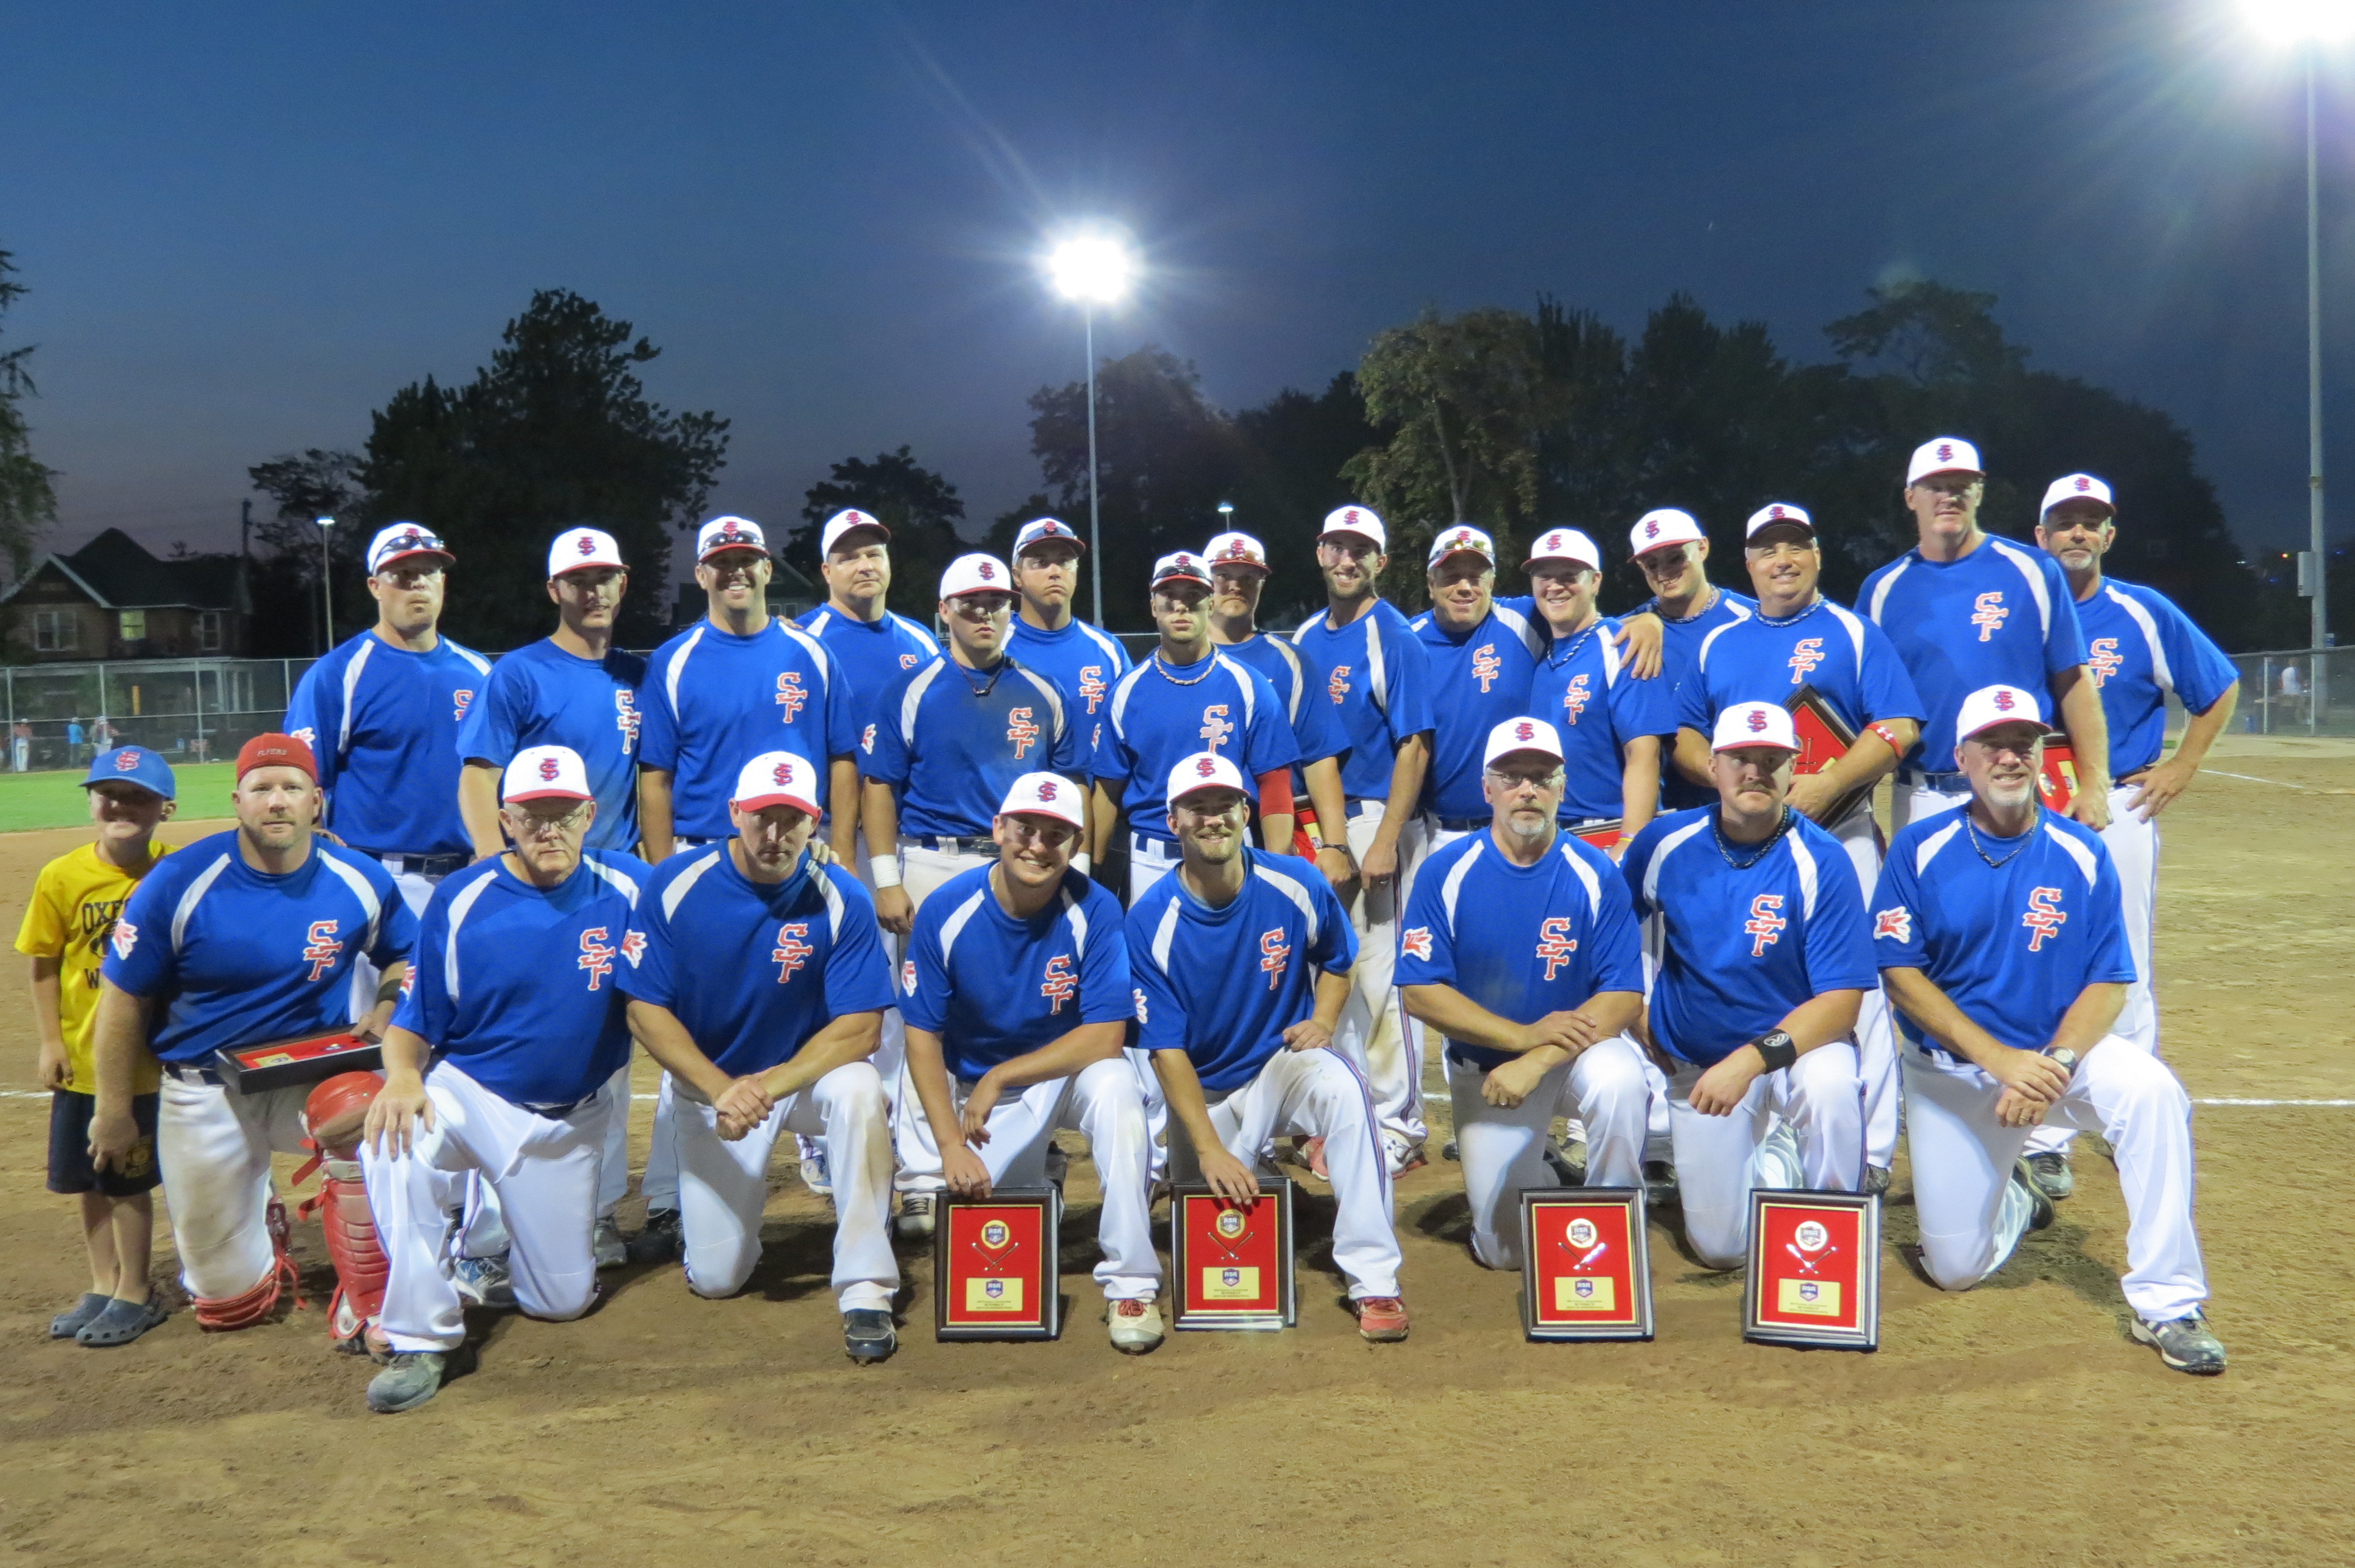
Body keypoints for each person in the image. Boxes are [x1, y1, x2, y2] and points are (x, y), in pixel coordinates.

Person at [1872, 685, 2223, 1374]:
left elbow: (2109, 979)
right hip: (1953, 1072)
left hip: (2054, 1059)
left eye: (2024, 744)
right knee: (1954, 1270)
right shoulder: (1919, 847)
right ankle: (2012, 1197)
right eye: (1993, 746)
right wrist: (2003, 1061)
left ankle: (2168, 1302)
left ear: (2043, 755)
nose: (2010, 758)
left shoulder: (2082, 851)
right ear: (1962, 759)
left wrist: (2054, 1063)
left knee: (2152, 1092)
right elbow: (1900, 975)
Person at [90, 733, 415, 1340]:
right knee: (228, 1305)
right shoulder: (180, 881)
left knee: (369, 1115)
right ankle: (258, 1223)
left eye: (291, 788)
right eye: (261, 789)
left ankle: (369, 1291)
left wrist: (389, 999)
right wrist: (112, 1109)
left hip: (306, 1080)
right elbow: (123, 997)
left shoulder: (358, 877)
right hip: (204, 1089)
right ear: (237, 801)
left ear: (316, 802)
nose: (276, 802)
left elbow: (407, 951)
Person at [356, 745, 648, 1412]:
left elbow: (710, 897)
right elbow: (414, 1019)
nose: (550, 829)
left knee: (561, 1302)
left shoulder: (631, 886)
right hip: (472, 1093)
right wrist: (400, 1076)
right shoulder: (464, 897)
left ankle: (477, 1253)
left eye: (564, 814)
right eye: (532, 815)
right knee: (392, 1140)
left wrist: (813, 857)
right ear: (506, 821)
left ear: (589, 814)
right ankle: (423, 1337)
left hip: (570, 1120)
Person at [1668, 501, 1923, 1192]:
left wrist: (1826, 784)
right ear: (1745, 564)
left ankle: (1866, 1156)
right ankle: (1761, 1127)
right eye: (1766, 550)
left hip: (1836, 835)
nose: (1781, 560)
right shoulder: (1720, 642)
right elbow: (1686, 734)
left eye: (1795, 547)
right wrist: (1721, 778)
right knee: (1750, 967)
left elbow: (1899, 723)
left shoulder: (1850, 631)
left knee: (1861, 988)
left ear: (1815, 555)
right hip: (1744, 846)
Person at [618, 752, 900, 1361]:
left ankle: (867, 1288)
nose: (775, 835)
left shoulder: (840, 897)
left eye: (791, 820)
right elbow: (643, 1010)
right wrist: (723, 1089)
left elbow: (860, 1031)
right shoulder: (675, 884)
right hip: (711, 1091)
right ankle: (714, 1224)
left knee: (858, 1090)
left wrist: (766, 1089)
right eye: (761, 818)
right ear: (734, 815)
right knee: (718, 1280)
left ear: (815, 822)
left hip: (797, 1083)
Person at [635, 515, 858, 1254]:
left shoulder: (810, 653)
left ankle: (819, 1143)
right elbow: (656, 776)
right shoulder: (673, 659)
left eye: (748, 561)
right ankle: (672, 1193)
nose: (735, 573)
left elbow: (840, 759)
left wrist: (843, 851)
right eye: (720, 563)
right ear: (701, 574)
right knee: (697, 1024)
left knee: (809, 1003)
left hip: (798, 849)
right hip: (704, 856)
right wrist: (665, 871)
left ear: (769, 569)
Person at [1130, 753, 1408, 1340]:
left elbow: (1338, 959)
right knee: (1210, 1218)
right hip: (1203, 1091)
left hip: (1279, 1067)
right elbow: (1164, 1050)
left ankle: (1374, 1280)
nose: (1213, 819)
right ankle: (1256, 1170)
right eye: (1196, 809)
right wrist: (1207, 1149)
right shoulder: (1150, 918)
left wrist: (1325, 1019)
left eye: (1224, 806)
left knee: (1343, 1085)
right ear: (1172, 820)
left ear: (1245, 812)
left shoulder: (1295, 880)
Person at [2025, 473, 2240, 1198]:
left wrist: (2183, 762)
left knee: (2126, 964)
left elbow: (2217, 686)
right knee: (2037, 953)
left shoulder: (2141, 611)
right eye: (2065, 522)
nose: (2078, 533)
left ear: (2109, 536)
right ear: (2041, 535)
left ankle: (2121, 1117)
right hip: (2030, 812)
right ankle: (2048, 1137)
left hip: (2118, 806)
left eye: (2092, 522)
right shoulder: (2020, 615)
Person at [863, 553, 1084, 1238]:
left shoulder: (1043, 692)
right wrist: (886, 877)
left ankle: (1032, 1147)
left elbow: (1071, 789)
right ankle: (924, 1176)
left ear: (1010, 609)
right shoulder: (913, 687)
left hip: (1030, 861)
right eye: (969, 602)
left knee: (1034, 1008)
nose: (984, 613)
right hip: (933, 860)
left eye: (995, 602)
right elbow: (878, 784)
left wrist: (1077, 869)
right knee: (918, 1024)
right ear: (944, 612)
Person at [900, 772, 1159, 1352]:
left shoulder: (1094, 909)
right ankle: (1040, 1164)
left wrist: (1003, 1074)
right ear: (999, 829)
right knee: (987, 1211)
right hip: (986, 1103)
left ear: (1074, 845)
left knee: (1118, 1087)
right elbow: (920, 1036)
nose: (1038, 846)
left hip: (1063, 1075)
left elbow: (1105, 1037)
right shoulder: (947, 909)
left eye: (1056, 834)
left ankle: (1131, 1284)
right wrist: (948, 1146)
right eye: (1026, 829)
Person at [454, 526, 649, 1268]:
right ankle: (488, 1229)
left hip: (611, 883)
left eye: (605, 577)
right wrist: (492, 870)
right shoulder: (522, 673)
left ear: (622, 584)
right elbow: (480, 775)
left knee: (608, 1055)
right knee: (511, 1051)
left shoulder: (638, 673)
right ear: (555, 591)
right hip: (534, 880)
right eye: (577, 579)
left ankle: (593, 1214)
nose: (592, 590)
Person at [1620, 703, 1873, 1268]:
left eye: (1771, 759)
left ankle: (1833, 1235)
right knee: (1722, 1250)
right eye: (1740, 758)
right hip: (1699, 1064)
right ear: (1713, 767)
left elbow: (1840, 1005)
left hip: (1792, 1055)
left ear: (1792, 768)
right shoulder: (1664, 841)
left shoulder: (1822, 860)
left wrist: (1750, 1063)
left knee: (1831, 1086)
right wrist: (1634, 1011)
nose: (1755, 772)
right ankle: (1777, 1159)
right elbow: (1607, 929)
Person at [1395, 718, 1650, 1270]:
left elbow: (1624, 997)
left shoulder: (1594, 873)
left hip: (1576, 1054)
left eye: (1541, 776)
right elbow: (1419, 991)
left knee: (1622, 1080)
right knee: (1504, 1251)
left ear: (1563, 788)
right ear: (1487, 789)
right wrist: (1521, 1038)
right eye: (1512, 777)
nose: (1527, 790)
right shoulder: (1446, 872)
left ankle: (1612, 1227)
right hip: (1487, 1069)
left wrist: (1537, 1056)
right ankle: (1548, 1173)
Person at [283, 523, 490, 1022]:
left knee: (462, 1029)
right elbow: (299, 781)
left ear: (443, 583)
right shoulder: (340, 674)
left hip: (466, 879)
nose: (417, 584)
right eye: (401, 574)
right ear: (375, 585)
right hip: (378, 881)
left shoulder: (480, 673)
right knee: (374, 1038)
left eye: (428, 573)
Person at [1860, 438, 2112, 833]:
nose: (1950, 497)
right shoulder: (1881, 589)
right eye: (1936, 487)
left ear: (1980, 492)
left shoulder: (2034, 571)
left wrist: (2096, 783)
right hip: (1921, 795)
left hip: (2017, 786)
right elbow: (1868, 708)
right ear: (1911, 498)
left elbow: (2075, 682)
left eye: (1962, 486)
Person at [1287, 506, 1435, 1175]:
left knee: (1381, 974)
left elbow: (1414, 745)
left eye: (1362, 551)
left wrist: (1385, 839)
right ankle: (1340, 1115)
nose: (1348, 560)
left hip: (1375, 818)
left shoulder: (1393, 634)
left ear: (1381, 561)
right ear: (1320, 553)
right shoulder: (1306, 636)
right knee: (1328, 973)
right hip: (1316, 824)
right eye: (1338, 548)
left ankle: (1395, 1122)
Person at [18, 746, 177, 1345]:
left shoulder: (174, 871)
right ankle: (103, 1282)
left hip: (142, 1062)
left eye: (137, 795)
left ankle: (137, 1290)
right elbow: (42, 964)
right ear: (89, 801)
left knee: (128, 1181)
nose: (121, 805)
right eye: (108, 792)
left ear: (166, 808)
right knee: (87, 1177)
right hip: (81, 1057)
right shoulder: (62, 876)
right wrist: (50, 1042)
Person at [1202, 529, 1352, 887]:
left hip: (1285, 823)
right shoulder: (1177, 664)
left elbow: (1319, 757)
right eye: (1223, 576)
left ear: (1261, 585)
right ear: (1206, 582)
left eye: (1248, 578)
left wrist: (1336, 843)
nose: (1235, 586)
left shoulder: (1289, 660)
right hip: (1204, 824)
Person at [1521, 527, 1674, 849]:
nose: (1555, 586)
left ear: (1596, 581)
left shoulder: (1622, 645)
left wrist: (1631, 841)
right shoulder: (1536, 652)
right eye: (1544, 576)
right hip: (1549, 834)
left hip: (1608, 829)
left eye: (1569, 575)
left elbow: (1643, 755)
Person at [1624, 509, 1755, 815]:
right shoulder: (1628, 633)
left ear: (1702, 548)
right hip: (1662, 808)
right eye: (1651, 564)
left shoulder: (1752, 620)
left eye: (1675, 557)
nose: (1663, 571)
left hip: (1743, 800)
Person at [1002, 516, 1132, 758]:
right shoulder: (995, 648)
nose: (1055, 572)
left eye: (1064, 562)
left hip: (1094, 793)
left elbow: (1130, 732)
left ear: (1076, 572)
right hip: (1015, 793)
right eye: (1041, 562)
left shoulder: (1109, 650)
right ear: (1017, 576)